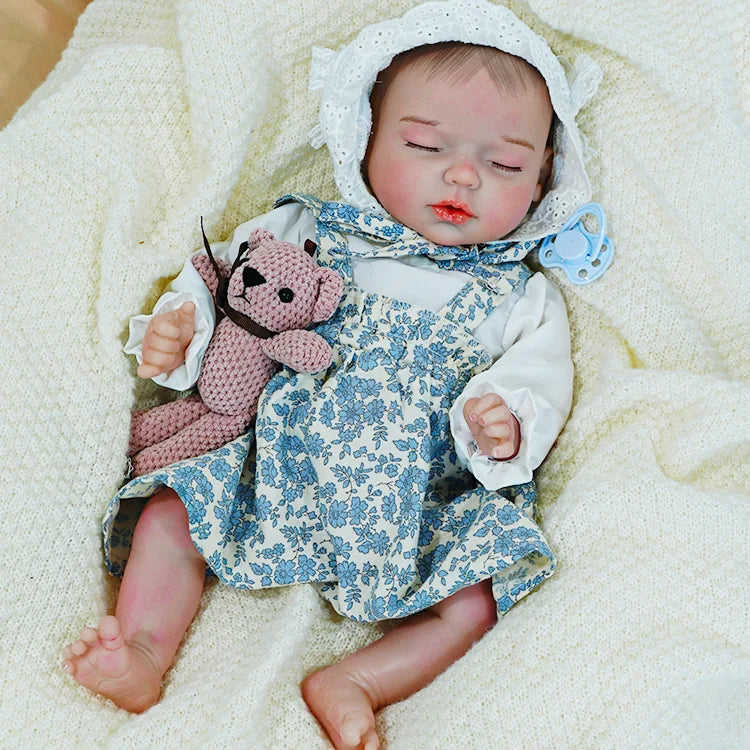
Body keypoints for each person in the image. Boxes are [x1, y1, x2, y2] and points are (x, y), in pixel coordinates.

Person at [61, 2, 605, 748]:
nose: (462, 175)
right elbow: (226, 280)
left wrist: (505, 420)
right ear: (365, 140)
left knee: (477, 596)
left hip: (418, 499)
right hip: (276, 458)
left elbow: (542, 379)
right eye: (423, 144)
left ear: (543, 180)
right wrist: (177, 329)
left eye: (505, 163)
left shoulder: (516, 291)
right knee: (175, 510)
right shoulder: (307, 231)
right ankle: (145, 649)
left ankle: (357, 680)